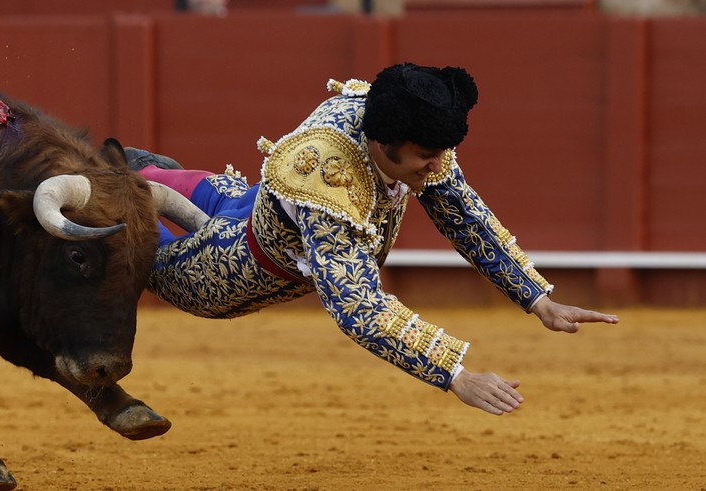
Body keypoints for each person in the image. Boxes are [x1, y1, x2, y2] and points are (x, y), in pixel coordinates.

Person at [125, 62, 619, 418]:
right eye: (426, 156)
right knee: (108, 227)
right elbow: (358, 306)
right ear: (383, 145)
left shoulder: (404, 125)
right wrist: (456, 374)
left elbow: (463, 215)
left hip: (249, 208)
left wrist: (538, 299)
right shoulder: (332, 175)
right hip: (225, 272)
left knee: (137, 179)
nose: (437, 165)